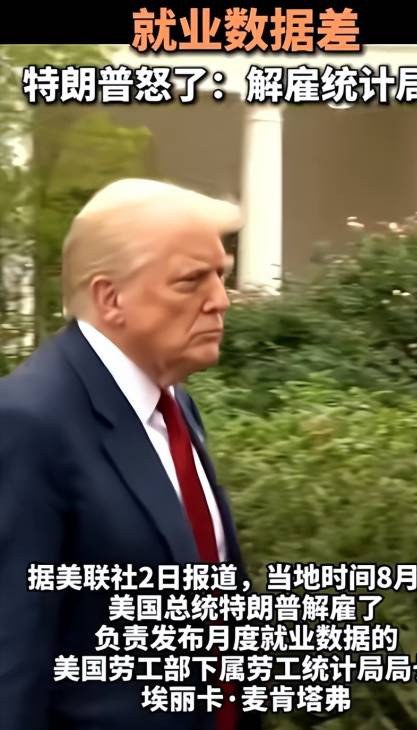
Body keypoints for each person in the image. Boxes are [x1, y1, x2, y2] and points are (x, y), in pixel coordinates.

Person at [0, 179, 254, 730]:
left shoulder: (174, 403)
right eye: (191, 280)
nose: (220, 300)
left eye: (221, 275)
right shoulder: (27, 423)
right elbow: (12, 663)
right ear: (110, 298)